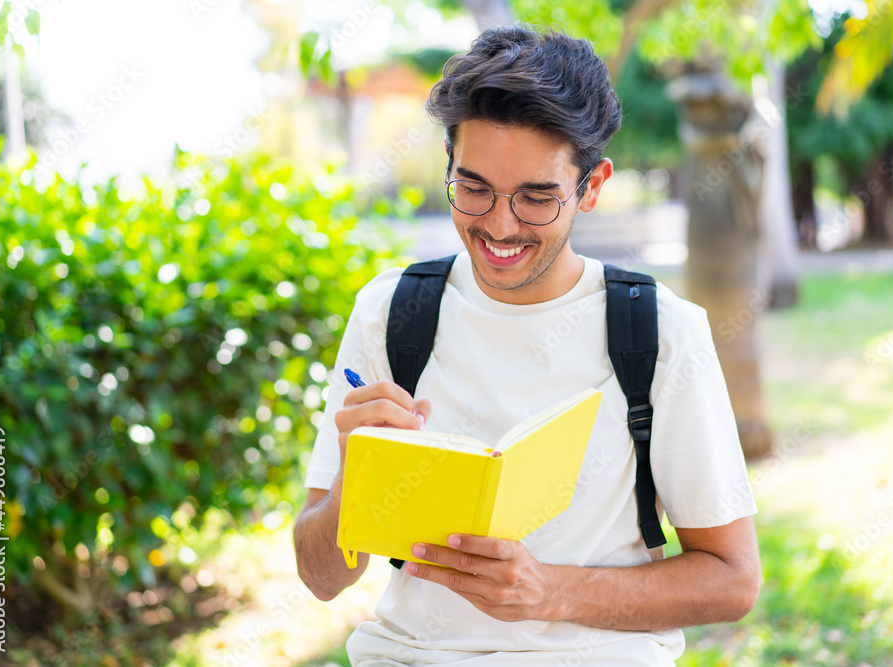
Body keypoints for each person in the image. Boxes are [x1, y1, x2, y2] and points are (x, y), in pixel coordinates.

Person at [294, 24, 760, 666]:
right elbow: (321, 578)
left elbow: (733, 580)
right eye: (474, 188)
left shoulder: (657, 331)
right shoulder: (394, 311)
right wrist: (355, 479)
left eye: (536, 197)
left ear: (592, 186)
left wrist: (549, 592)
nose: (499, 225)